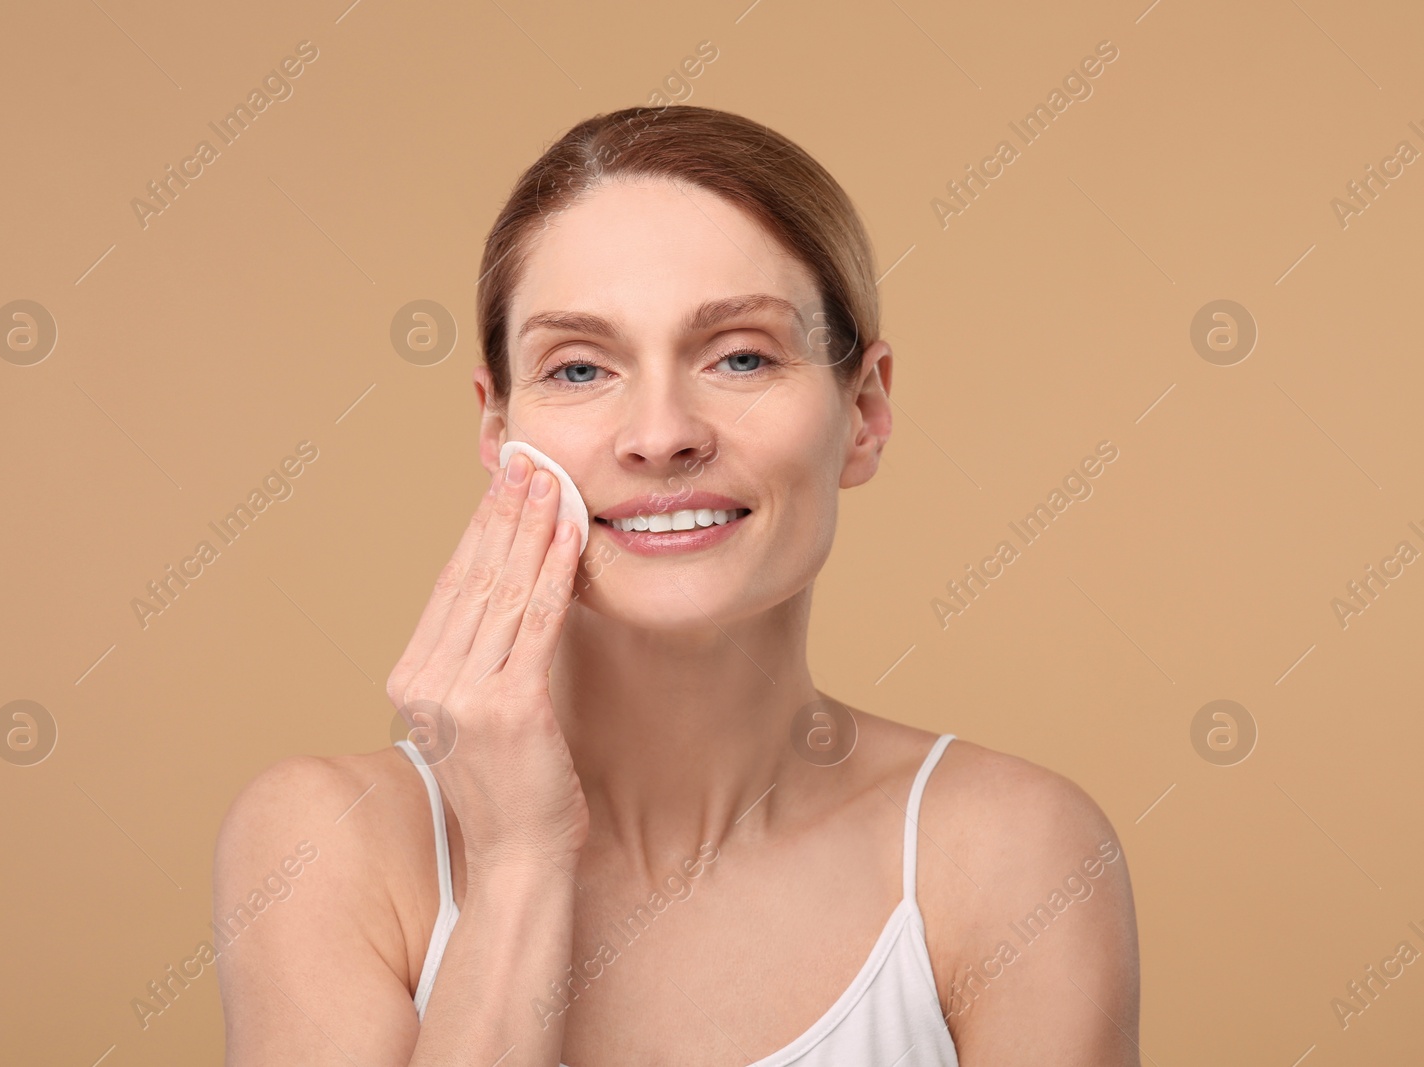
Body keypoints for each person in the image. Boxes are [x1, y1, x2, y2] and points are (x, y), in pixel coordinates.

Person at [213, 104, 1139, 1066]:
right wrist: (519, 862)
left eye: (741, 355)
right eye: (579, 368)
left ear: (863, 411)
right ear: (498, 432)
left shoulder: (1014, 853)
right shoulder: (326, 846)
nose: (661, 433)